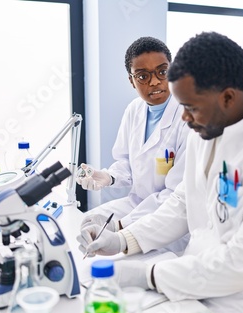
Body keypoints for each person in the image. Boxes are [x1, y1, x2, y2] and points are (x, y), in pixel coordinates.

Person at [77, 31, 243, 313]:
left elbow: (241, 264)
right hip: (197, 273)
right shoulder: (210, 123)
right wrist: (124, 239)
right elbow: (184, 202)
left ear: (227, 97)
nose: (183, 118)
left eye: (190, 107)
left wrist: (149, 275)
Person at [76, 36, 189, 234]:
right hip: (136, 204)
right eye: (143, 76)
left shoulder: (188, 117)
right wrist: (108, 176)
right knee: (86, 223)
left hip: (169, 216)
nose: (155, 82)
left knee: (113, 245)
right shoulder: (134, 110)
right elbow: (125, 161)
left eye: (163, 72)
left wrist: (122, 226)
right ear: (131, 81)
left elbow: (176, 193)